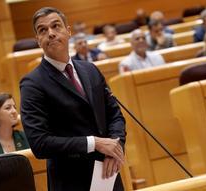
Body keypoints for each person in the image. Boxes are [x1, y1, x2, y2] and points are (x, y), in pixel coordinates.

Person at [20, 7, 126, 191]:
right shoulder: (32, 84)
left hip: (108, 174)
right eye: (43, 30)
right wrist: (95, 143)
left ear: (68, 32)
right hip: (71, 182)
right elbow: (39, 143)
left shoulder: (90, 70)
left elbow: (114, 114)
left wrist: (115, 148)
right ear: (38, 40)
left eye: (56, 26)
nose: (51, 33)